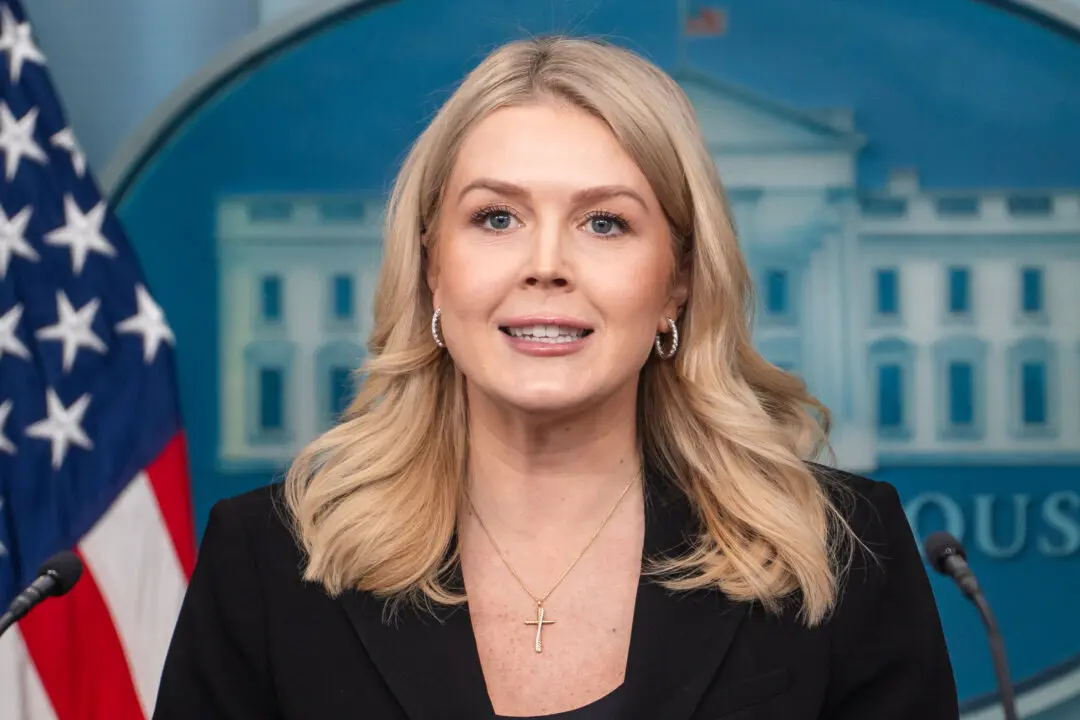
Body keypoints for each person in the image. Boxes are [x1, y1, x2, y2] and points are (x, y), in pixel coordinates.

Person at [152, 35, 959, 719]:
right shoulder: (266, 559)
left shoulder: (840, 548)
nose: (545, 266)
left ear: (676, 280)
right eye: (496, 218)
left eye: (604, 222)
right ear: (433, 264)